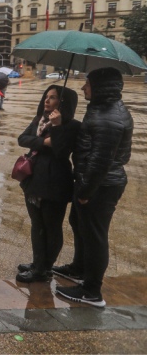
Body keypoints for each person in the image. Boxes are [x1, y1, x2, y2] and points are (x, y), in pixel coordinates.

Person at [55, 68, 133, 307]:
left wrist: (86, 193)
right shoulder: (100, 109)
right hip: (92, 182)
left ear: (100, 87)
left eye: (87, 84)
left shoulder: (108, 118)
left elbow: (100, 162)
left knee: (95, 237)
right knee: (79, 225)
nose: (83, 88)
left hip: (100, 186)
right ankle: (79, 268)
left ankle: (91, 291)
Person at [15, 86, 80, 283]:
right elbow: (22, 139)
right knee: (37, 225)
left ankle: (44, 269)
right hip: (33, 181)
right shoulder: (39, 120)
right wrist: (43, 142)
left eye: (52, 98)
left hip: (54, 184)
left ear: (63, 102)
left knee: (51, 227)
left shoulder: (73, 125)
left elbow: (61, 151)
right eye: (46, 96)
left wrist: (58, 126)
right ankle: (37, 263)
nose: (47, 100)